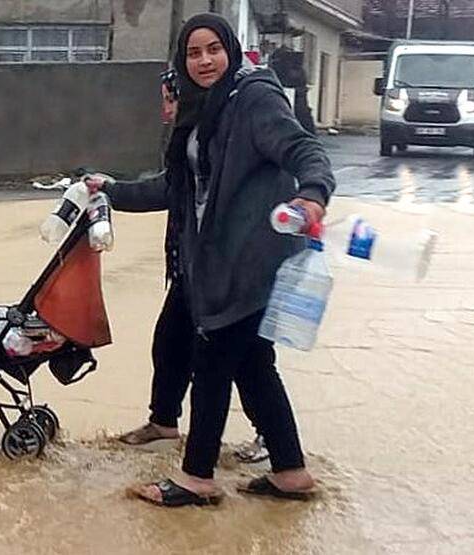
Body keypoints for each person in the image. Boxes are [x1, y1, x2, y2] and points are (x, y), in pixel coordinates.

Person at [87, 12, 335, 506]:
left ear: (231, 50)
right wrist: (110, 191)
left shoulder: (255, 98)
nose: (204, 61)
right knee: (254, 365)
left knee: (214, 363)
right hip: (219, 261)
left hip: (250, 260)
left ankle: (196, 478)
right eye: (193, 53)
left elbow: (304, 149)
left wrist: (312, 195)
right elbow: (176, 189)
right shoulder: (206, 111)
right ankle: (290, 472)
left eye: (213, 50)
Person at [116, 69, 270, 466]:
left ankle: (263, 444)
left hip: (237, 267)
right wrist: (110, 190)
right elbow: (168, 189)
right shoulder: (193, 136)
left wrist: (312, 195)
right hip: (196, 266)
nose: (166, 111)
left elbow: (300, 156)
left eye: (172, 99)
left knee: (245, 360)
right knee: (170, 340)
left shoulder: (228, 130)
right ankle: (164, 424)